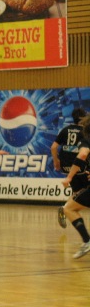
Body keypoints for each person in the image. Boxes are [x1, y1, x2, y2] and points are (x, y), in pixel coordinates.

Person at [51, 107, 87, 229]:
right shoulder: (85, 132)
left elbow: (53, 147)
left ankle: (65, 208)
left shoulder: (65, 130)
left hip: (66, 166)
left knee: (77, 193)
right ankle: (66, 208)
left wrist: (56, 162)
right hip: (79, 166)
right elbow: (83, 153)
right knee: (84, 193)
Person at [61, 115, 90, 259]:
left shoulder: (86, 140)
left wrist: (69, 177)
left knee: (68, 208)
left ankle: (87, 241)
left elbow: (82, 154)